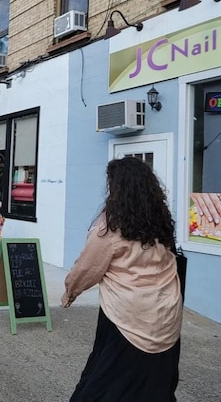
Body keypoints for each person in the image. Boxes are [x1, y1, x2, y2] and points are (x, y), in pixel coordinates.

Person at [62, 157, 183, 402]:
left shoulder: (110, 226)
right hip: (166, 312)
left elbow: (89, 268)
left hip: (127, 316)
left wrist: (70, 292)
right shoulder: (160, 220)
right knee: (154, 382)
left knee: (109, 382)